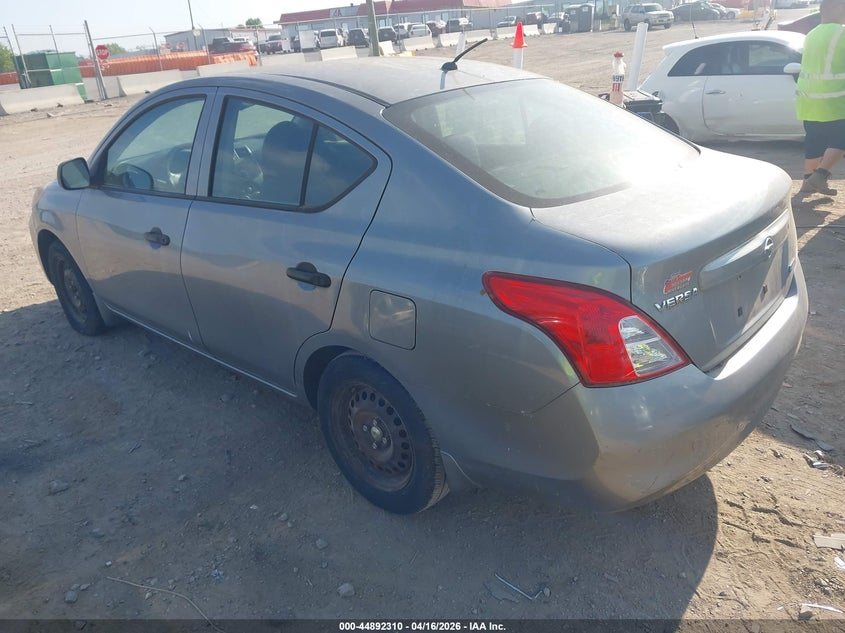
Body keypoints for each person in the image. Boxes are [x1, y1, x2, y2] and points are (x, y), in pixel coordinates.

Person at [795, 0, 845, 195]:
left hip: (808, 100)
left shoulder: (812, 34)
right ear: (840, 9)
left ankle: (808, 182)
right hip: (833, 99)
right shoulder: (841, 33)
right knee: (841, 140)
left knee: (815, 141)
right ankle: (820, 175)